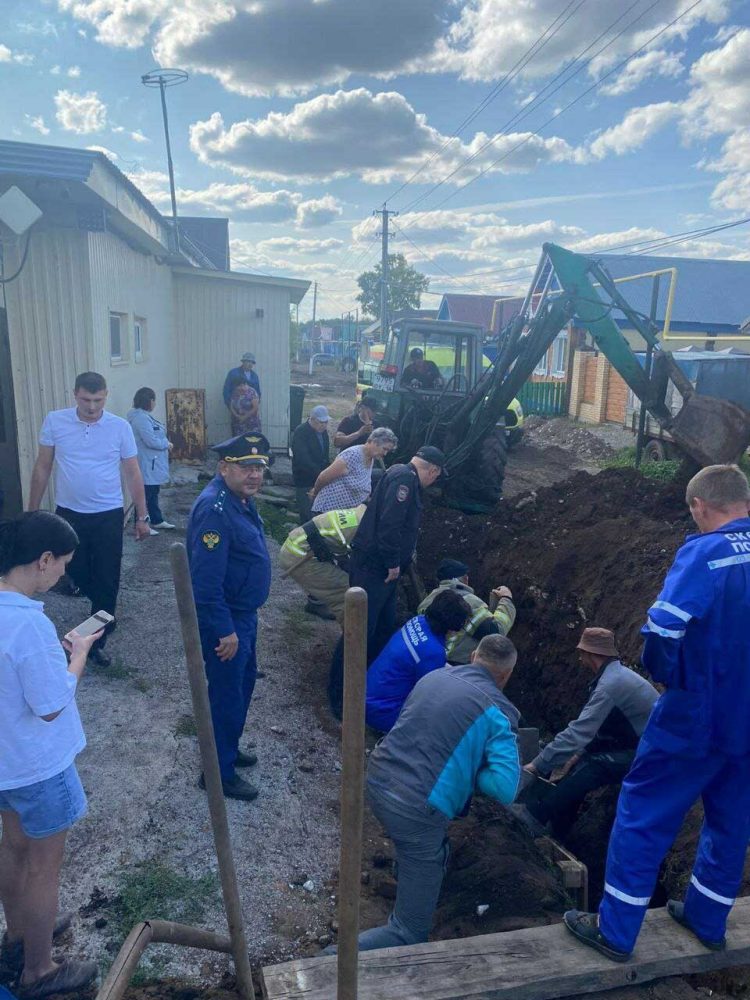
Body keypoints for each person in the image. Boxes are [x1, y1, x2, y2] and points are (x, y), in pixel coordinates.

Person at [564, 464, 750, 963]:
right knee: (732, 821)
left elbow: (664, 628)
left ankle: (615, 931)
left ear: (700, 506)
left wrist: (671, 675)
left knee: (643, 813)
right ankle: (708, 920)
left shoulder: (705, 553)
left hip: (697, 713)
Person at [350, 635, 520, 951]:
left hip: (377, 779)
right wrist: (474, 769)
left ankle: (411, 880)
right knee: (408, 933)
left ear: (473, 656)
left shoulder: (435, 675)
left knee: (418, 846)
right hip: (415, 810)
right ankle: (329, 963)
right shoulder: (498, 712)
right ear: (506, 675)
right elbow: (505, 788)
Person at [0, 511, 102, 998]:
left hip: (3, 764)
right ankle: (39, 969)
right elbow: (50, 706)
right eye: (62, 563)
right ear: (43, 561)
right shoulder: (29, 626)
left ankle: (19, 936)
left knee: (13, 849)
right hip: (38, 766)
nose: (63, 572)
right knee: (44, 865)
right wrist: (78, 655)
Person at [28, 372, 150, 668]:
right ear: (75, 395)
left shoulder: (119, 427)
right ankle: (106, 615)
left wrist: (142, 516)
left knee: (107, 581)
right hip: (68, 514)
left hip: (108, 515)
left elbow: (133, 472)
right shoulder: (56, 422)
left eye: (98, 400)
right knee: (75, 572)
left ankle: (92, 641)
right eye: (86, 399)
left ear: (106, 396)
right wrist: (31, 512)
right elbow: (43, 467)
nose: (92, 406)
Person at [187, 433, 272, 802]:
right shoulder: (215, 511)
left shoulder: (240, 500)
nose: (254, 474)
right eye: (245, 467)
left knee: (241, 687)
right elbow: (205, 584)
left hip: (244, 616)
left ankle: (228, 749)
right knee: (225, 695)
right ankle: (217, 774)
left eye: (258, 467)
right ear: (224, 468)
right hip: (229, 620)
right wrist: (224, 630)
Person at [513, 627, 657, 840]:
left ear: (590, 654)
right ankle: (560, 830)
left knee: (590, 770)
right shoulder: (614, 676)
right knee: (579, 766)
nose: (580, 659)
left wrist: (538, 765)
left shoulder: (610, 685)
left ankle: (533, 818)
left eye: (581, 653)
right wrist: (576, 754)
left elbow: (579, 732)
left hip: (648, 752)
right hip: (633, 742)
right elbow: (603, 728)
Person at [349, 445, 446, 663]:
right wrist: (393, 563)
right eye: (436, 477)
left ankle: (369, 675)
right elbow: (390, 526)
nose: (433, 482)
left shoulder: (399, 473)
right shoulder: (405, 481)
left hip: (381, 568)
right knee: (361, 630)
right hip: (376, 568)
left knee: (384, 626)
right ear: (433, 471)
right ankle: (341, 689)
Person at [365, 590, 471, 732]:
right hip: (384, 714)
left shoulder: (418, 621)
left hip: (369, 696)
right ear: (452, 627)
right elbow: (430, 697)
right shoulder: (433, 652)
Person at [279, 504, 367, 625]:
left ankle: (317, 605)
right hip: (299, 555)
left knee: (341, 583)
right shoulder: (364, 528)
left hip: (299, 545)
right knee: (347, 594)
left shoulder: (362, 513)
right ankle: (352, 639)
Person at [418, 558, 516, 664]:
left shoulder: (428, 600)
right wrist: (506, 599)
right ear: (465, 579)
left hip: (429, 660)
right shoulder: (469, 602)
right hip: (457, 665)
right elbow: (496, 630)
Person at [310, 427, 398, 514]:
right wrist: (315, 494)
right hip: (328, 511)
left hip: (345, 515)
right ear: (374, 442)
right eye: (384, 449)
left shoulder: (371, 458)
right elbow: (324, 477)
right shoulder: (352, 455)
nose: (385, 453)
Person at [126, 387, 175, 533]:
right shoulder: (140, 418)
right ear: (150, 401)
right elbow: (150, 440)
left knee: (153, 491)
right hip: (148, 461)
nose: (155, 404)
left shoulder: (144, 416)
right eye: (154, 400)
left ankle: (157, 519)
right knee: (145, 493)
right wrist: (166, 444)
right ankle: (140, 524)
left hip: (153, 461)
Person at [291, 406, 331, 524]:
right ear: (312, 419)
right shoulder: (301, 431)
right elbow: (303, 459)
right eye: (320, 422)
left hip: (319, 478)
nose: (323, 425)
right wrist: (322, 474)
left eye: (326, 422)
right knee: (307, 513)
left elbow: (325, 455)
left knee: (318, 511)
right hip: (305, 479)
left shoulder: (323, 432)